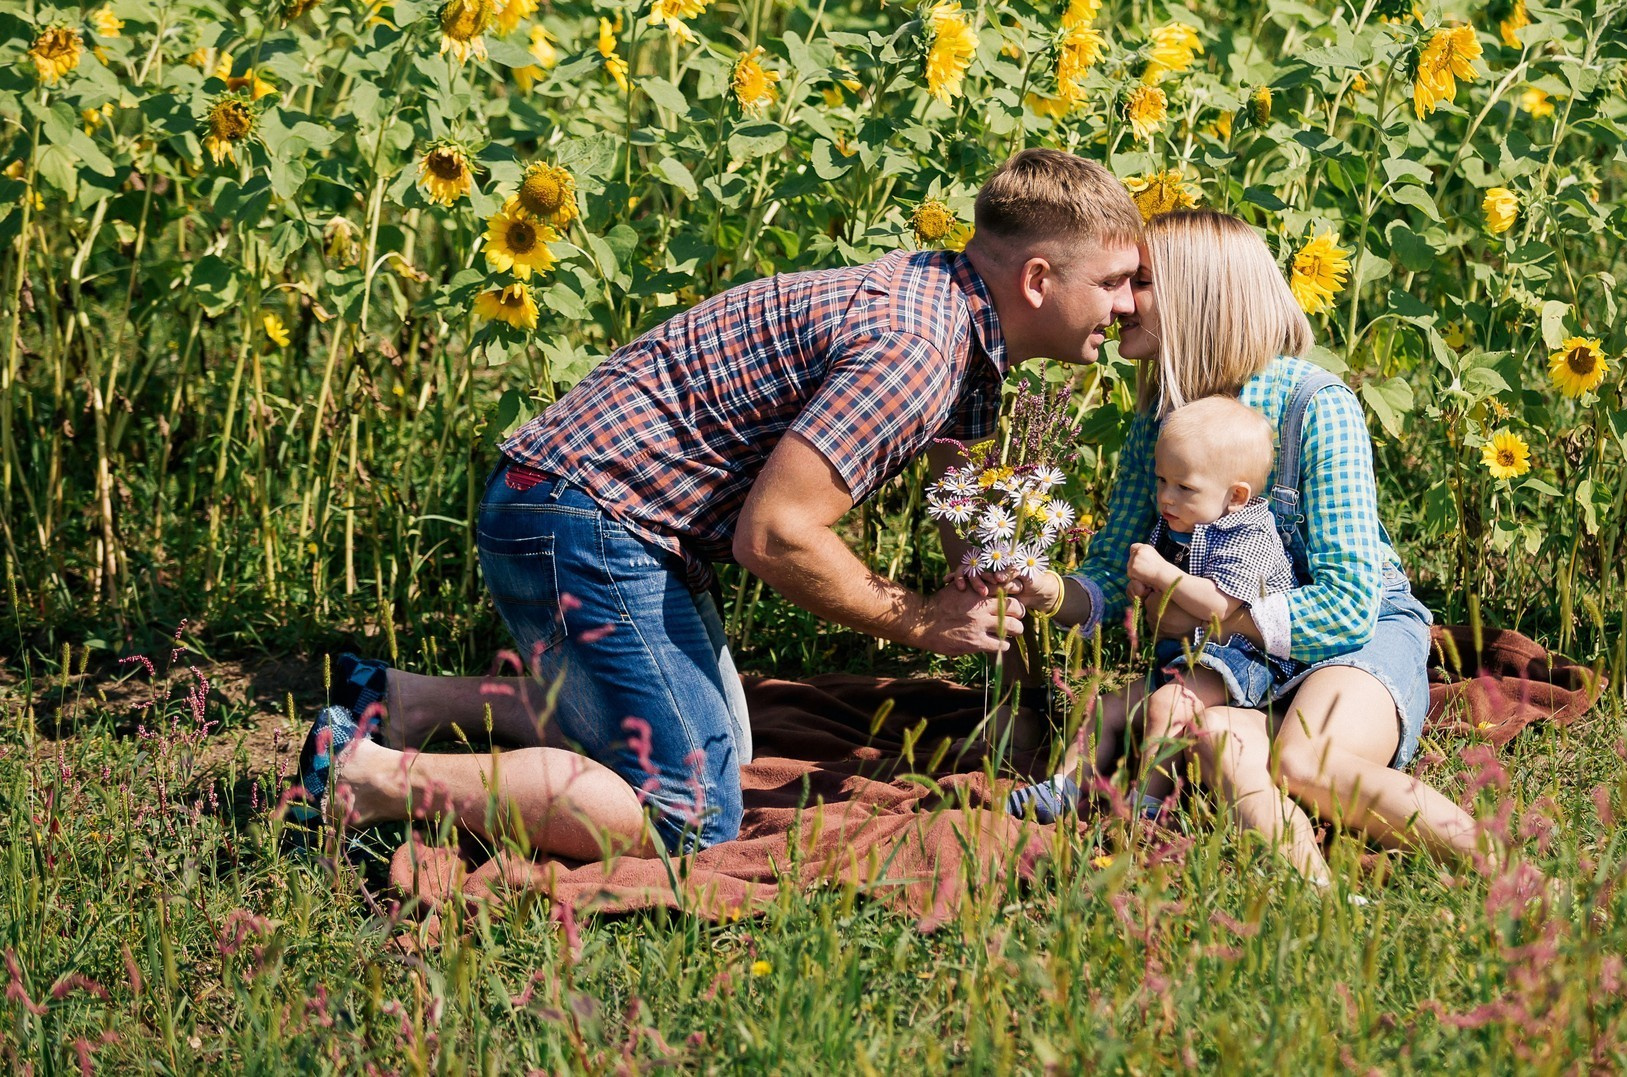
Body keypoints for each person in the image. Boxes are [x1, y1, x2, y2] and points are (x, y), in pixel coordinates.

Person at [297, 148, 1143, 860]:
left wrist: (1007, 620)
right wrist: (921, 620)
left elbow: (960, 494)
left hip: (597, 514)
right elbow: (776, 535)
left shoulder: (955, 313)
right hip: (584, 520)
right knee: (690, 812)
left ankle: (399, 698)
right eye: (1113, 282)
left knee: (724, 749)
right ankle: (363, 779)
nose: (1130, 305)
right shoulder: (917, 351)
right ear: (1037, 279)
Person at [1010, 209, 1481, 873]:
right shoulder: (1161, 417)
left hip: (1351, 642)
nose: (1118, 301)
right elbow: (1114, 571)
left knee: (1305, 760)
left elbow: (1349, 605)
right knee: (1221, 746)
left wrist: (1209, 608)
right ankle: (1323, 910)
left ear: (1196, 294)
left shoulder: (1314, 406)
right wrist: (1046, 589)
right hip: (1235, 663)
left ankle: (1507, 870)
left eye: (1139, 281)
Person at [1007, 396, 1314, 842]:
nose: (1166, 497)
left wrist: (1162, 574)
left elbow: (1221, 609)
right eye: (1161, 481)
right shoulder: (1181, 523)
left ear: (1237, 495)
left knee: (1165, 707)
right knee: (1101, 704)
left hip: (1240, 667)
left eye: (1183, 487)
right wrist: (1141, 589)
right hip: (1183, 663)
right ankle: (1069, 785)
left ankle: (1147, 805)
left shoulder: (1252, 535)